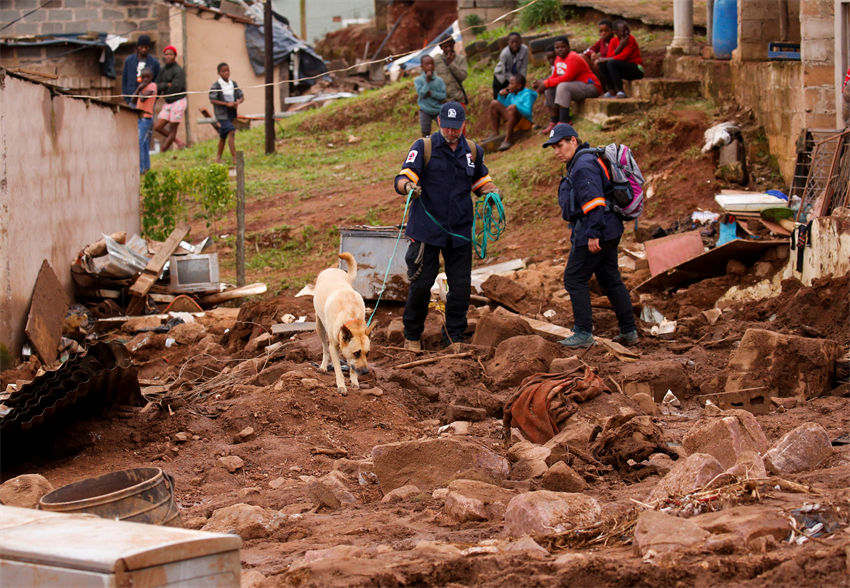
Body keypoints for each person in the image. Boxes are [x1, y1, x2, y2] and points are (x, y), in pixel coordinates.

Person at [394, 102, 499, 350]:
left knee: (460, 286)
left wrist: (492, 191)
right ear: (440, 123)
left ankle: (454, 336)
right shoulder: (424, 147)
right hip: (426, 231)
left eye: (457, 128)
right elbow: (402, 178)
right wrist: (409, 188)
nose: (452, 132)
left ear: (464, 125)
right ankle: (412, 335)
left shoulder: (473, 151)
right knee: (421, 284)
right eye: (448, 127)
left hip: (459, 231)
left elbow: (480, 181)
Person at [542, 123, 637, 348]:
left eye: (560, 145)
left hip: (595, 229)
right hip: (610, 227)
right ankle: (629, 330)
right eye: (553, 147)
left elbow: (594, 201)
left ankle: (583, 332)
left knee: (574, 279)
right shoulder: (585, 159)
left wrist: (593, 234)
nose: (557, 151)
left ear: (573, 141)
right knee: (610, 278)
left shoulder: (583, 165)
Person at [532, 36, 601, 134]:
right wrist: (543, 83)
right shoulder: (558, 59)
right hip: (576, 87)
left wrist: (545, 83)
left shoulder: (573, 58)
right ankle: (554, 121)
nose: (560, 50)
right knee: (549, 89)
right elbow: (555, 76)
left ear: (568, 47)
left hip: (591, 87)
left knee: (563, 86)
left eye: (562, 47)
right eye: (557, 47)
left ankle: (564, 120)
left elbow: (567, 78)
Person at [488, 74, 537, 151]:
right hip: (513, 119)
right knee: (494, 103)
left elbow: (528, 112)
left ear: (519, 86)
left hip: (524, 122)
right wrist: (501, 96)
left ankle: (508, 140)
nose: (509, 86)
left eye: (511, 84)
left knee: (513, 108)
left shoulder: (528, 94)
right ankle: (495, 133)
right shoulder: (511, 95)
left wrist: (516, 107)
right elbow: (505, 107)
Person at [209, 62, 244, 164]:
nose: (226, 73)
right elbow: (212, 99)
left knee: (223, 136)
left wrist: (238, 101)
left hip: (231, 114)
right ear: (219, 73)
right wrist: (226, 104)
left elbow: (241, 95)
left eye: (228, 70)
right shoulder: (216, 85)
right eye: (223, 71)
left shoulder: (233, 84)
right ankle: (235, 157)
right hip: (221, 115)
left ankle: (218, 158)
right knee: (231, 131)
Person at [598, 21, 644, 98]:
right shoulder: (613, 41)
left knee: (611, 63)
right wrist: (620, 46)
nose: (626, 32)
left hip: (636, 69)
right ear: (615, 32)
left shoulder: (630, 39)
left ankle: (620, 91)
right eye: (622, 30)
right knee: (602, 64)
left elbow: (623, 57)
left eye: (627, 30)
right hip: (621, 68)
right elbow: (610, 56)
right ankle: (611, 90)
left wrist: (606, 59)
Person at [154, 45, 187, 151]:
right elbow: (157, 85)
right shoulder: (162, 70)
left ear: (175, 56)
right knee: (158, 127)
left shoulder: (178, 70)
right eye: (166, 54)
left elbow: (176, 88)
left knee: (173, 130)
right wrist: (166, 85)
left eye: (170, 54)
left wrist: (167, 86)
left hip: (178, 101)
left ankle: (163, 152)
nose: (168, 56)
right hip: (168, 102)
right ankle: (179, 142)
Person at [122, 35, 160, 107]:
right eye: (141, 47)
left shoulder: (154, 63)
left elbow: (157, 82)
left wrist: (154, 98)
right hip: (132, 98)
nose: (144, 49)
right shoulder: (129, 61)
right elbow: (124, 79)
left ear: (149, 48)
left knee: (146, 118)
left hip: (147, 100)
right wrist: (126, 97)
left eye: (146, 47)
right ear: (137, 47)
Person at [414, 55, 446, 137]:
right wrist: (427, 82)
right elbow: (421, 94)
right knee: (425, 131)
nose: (430, 66)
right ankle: (426, 147)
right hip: (425, 109)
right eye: (427, 64)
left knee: (445, 129)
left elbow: (443, 96)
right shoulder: (418, 80)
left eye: (432, 64)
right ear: (422, 66)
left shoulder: (439, 80)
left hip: (438, 109)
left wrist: (431, 93)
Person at [493, 32, 529, 99]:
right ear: (508, 42)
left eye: (517, 42)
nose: (514, 44)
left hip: (515, 76)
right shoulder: (504, 53)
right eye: (512, 42)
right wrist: (514, 81)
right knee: (499, 97)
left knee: (513, 95)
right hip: (501, 76)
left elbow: (524, 67)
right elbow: (505, 71)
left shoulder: (525, 50)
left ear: (521, 41)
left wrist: (521, 80)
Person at [135, 68, 157, 175]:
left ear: (151, 77)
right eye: (143, 77)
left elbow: (143, 99)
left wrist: (140, 88)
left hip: (146, 118)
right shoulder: (141, 88)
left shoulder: (152, 86)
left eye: (148, 77)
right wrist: (138, 89)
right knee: (143, 144)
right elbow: (133, 100)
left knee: (140, 143)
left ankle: (141, 168)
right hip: (140, 117)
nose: (145, 79)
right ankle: (146, 167)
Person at [433, 37, 468, 105]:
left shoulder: (460, 59)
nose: (448, 49)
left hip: (457, 97)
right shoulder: (437, 60)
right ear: (441, 48)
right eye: (445, 47)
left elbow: (463, 77)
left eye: (450, 46)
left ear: (453, 44)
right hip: (443, 100)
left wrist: (451, 64)